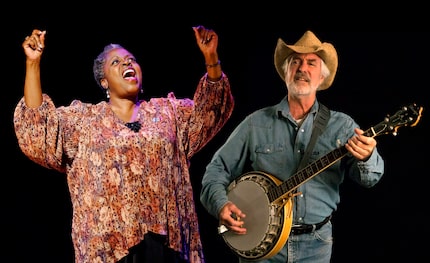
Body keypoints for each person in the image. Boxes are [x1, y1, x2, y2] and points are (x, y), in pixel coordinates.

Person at [14, 25, 234, 263]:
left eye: (131, 60)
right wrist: (33, 64)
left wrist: (211, 57)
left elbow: (211, 110)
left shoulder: (168, 113)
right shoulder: (83, 121)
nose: (127, 64)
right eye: (116, 63)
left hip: (167, 247)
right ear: (104, 81)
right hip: (110, 251)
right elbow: (39, 128)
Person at [200, 30, 385, 263]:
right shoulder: (256, 123)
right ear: (285, 72)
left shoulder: (342, 126)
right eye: (295, 61)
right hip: (261, 249)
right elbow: (216, 171)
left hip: (316, 246)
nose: (302, 68)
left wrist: (367, 156)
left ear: (321, 76)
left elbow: (370, 179)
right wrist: (221, 204)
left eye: (311, 63)